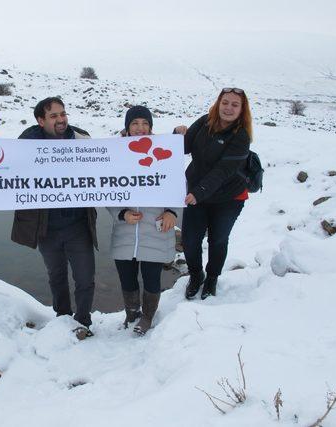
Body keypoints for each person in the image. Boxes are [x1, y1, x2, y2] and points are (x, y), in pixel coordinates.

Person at [11, 97, 97, 340]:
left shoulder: (81, 139)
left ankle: (83, 322)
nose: (61, 120)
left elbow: (108, 159)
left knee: (85, 277)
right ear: (41, 121)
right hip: (46, 227)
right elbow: (2, 170)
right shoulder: (25, 145)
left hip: (78, 224)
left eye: (63, 114)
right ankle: (62, 319)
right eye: (54, 116)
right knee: (56, 276)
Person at [108, 106, 184, 335]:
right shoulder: (114, 153)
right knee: (127, 278)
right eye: (135, 123)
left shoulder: (164, 150)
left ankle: (148, 316)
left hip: (155, 228)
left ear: (150, 127)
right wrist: (122, 213)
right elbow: (106, 190)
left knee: (151, 278)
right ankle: (132, 314)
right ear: (127, 127)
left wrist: (171, 211)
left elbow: (176, 184)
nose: (140, 128)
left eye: (145, 123)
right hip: (126, 231)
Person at [182, 88, 252, 300]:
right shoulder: (204, 122)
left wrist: (198, 192)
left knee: (218, 239)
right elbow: (182, 147)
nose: (228, 108)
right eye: (225, 102)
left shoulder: (241, 136)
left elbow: (223, 171)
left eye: (234, 104)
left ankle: (212, 278)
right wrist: (178, 134)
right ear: (218, 103)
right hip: (198, 194)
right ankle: (196, 275)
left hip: (228, 197)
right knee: (190, 240)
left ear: (242, 110)